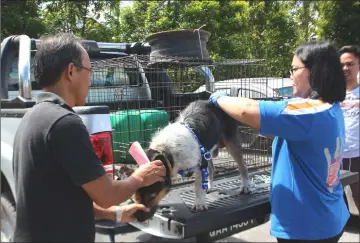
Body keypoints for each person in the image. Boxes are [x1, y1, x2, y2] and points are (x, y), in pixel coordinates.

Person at [12, 33, 166, 242]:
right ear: (71, 71)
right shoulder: (64, 123)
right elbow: (107, 195)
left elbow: (61, 196)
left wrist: (115, 214)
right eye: (89, 71)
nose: (91, 81)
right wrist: (140, 177)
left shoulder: (33, 117)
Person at [209, 40, 348, 242]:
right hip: (326, 217)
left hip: (307, 228)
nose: (290, 76)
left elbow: (246, 109)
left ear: (315, 70)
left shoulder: (308, 112)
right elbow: (288, 136)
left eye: (294, 69)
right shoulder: (329, 107)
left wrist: (217, 97)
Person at [339, 45, 360, 220]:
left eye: (350, 64)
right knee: (337, 199)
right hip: (336, 156)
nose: (346, 68)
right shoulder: (333, 95)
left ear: (358, 65)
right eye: (342, 65)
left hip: (357, 155)